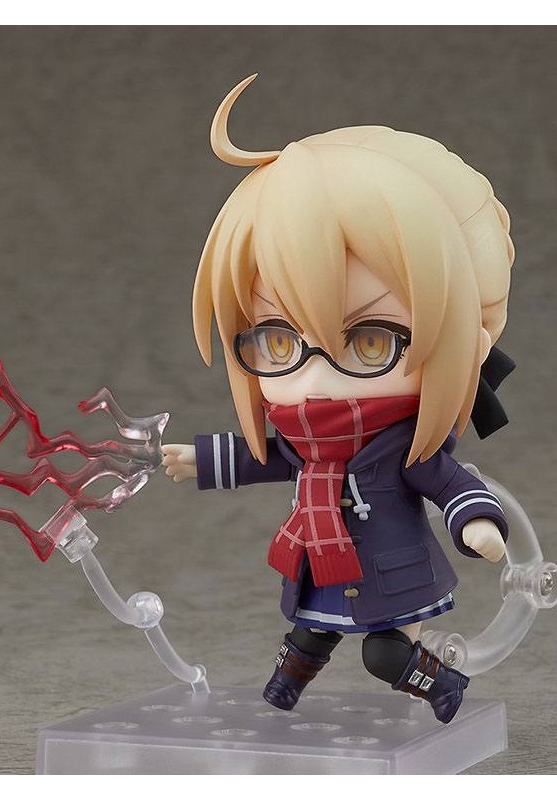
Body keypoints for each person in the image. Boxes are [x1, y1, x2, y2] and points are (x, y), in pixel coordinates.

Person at [162, 75, 515, 724]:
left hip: (392, 573)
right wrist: (202, 459)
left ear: (462, 340)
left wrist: (477, 525)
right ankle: (283, 691)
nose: (315, 377)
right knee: (308, 631)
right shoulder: (308, 440)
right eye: (277, 340)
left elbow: (450, 482)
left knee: (384, 654)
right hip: (320, 563)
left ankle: (444, 684)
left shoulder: (403, 447)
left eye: (369, 340)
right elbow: (272, 457)